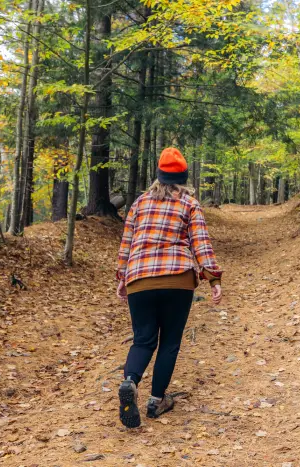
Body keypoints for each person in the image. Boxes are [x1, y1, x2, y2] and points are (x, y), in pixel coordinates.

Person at [115, 147, 223, 428]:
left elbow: (127, 243)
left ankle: (130, 381)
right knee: (170, 342)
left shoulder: (139, 203)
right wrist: (213, 278)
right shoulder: (189, 203)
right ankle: (155, 401)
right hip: (177, 279)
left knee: (143, 340)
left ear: (158, 177)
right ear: (183, 178)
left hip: (139, 278)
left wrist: (122, 277)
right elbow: (201, 243)